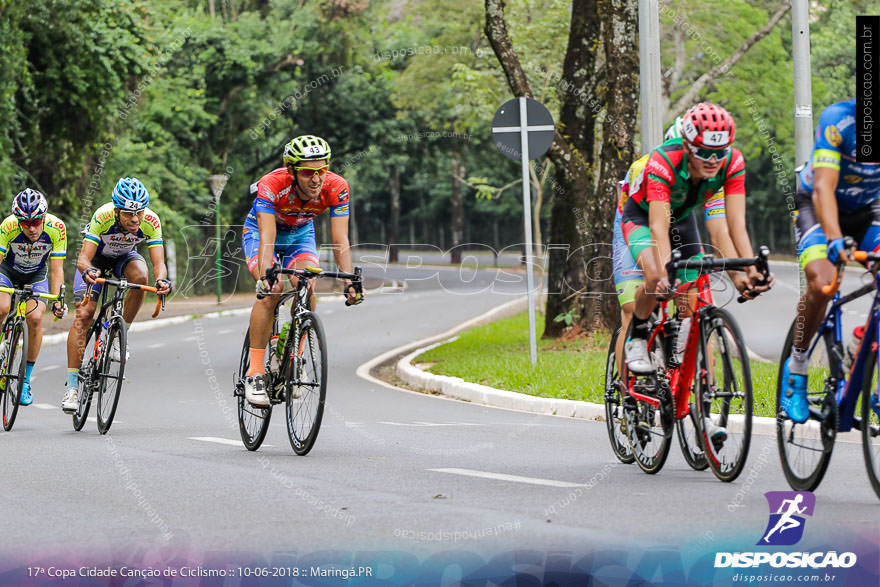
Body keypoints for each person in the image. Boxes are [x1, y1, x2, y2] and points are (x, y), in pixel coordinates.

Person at [620, 103, 773, 436]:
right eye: (704, 151)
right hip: (643, 216)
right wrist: (662, 271)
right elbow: (658, 227)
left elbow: (733, 226)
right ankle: (639, 334)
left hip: (682, 219)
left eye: (719, 152)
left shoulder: (731, 164)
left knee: (692, 304)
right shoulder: (663, 160)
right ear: (688, 146)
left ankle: (695, 405)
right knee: (656, 276)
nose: (712, 159)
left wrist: (745, 273)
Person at [242, 134, 362, 407]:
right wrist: (265, 275)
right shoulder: (272, 184)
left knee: (307, 283)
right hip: (262, 234)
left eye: (321, 170)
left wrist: (349, 283)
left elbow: (340, 240)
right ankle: (256, 372)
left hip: (300, 235)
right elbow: (267, 234)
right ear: (292, 171)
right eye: (308, 173)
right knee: (272, 290)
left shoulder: (337, 186)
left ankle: (295, 357)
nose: (317, 179)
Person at [781, 98, 880, 423]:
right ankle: (796, 366)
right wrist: (835, 240)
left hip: (868, 211)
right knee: (823, 285)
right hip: (818, 205)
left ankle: (861, 345)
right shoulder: (840, 119)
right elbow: (823, 187)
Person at [61, 177, 172, 413]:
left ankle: (121, 336)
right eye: (128, 214)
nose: (135, 219)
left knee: (141, 276)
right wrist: (88, 271)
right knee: (85, 314)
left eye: (139, 213)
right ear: (116, 210)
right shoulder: (103, 215)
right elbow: (83, 259)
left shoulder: (150, 220)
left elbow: (159, 264)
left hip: (124, 258)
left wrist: (162, 280)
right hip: (96, 260)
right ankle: (71, 387)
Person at [0, 189, 67, 405]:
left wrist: (58, 299)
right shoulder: (8, 226)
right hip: (7, 271)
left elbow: (56, 269)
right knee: (2, 307)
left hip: (36, 274)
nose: (32, 228)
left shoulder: (57, 228)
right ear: (18, 220)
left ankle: (25, 380)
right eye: (25, 223)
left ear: (44, 216)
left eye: (37, 221)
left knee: (36, 318)